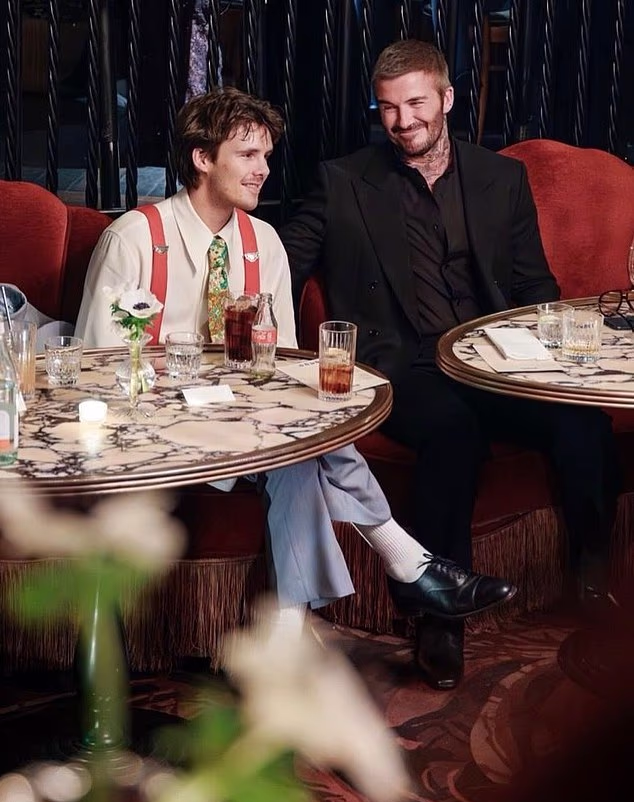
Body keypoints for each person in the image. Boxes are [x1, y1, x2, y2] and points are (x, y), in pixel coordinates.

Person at [75, 87, 515, 678]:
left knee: (301, 451)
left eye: (267, 156)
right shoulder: (131, 236)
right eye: (248, 155)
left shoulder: (264, 243)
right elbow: (93, 370)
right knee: (300, 454)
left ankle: (288, 636)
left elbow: (275, 362)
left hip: (240, 428)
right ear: (203, 159)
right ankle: (406, 564)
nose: (264, 170)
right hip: (154, 434)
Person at [280, 40, 621, 689]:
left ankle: (592, 581)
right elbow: (280, 265)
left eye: (415, 103)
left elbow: (534, 286)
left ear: (446, 99)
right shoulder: (343, 180)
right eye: (388, 108)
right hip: (402, 365)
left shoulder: (500, 178)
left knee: (583, 422)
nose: (403, 121)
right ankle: (440, 619)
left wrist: (545, 357)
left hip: (493, 359)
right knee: (452, 434)